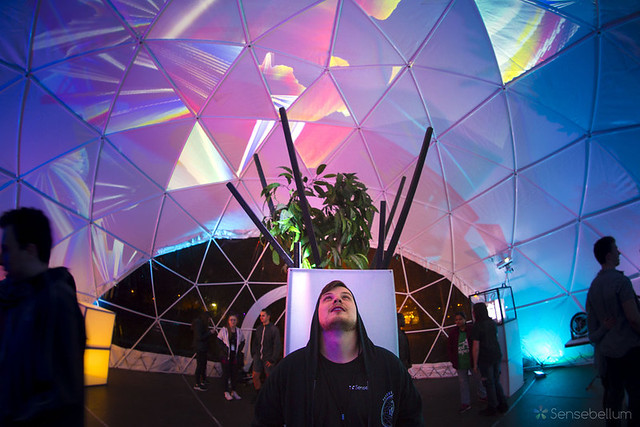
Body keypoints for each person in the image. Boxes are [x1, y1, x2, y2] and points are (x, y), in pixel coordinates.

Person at [252, 280, 424, 426]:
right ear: (316, 314)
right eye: (328, 298)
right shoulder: (289, 370)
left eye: (345, 297)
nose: (337, 300)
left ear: (357, 313)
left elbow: (412, 419)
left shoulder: (389, 367)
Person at [0, 207, 86, 425]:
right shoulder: (16, 299)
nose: (2, 260)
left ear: (30, 250)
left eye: (7, 250)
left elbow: (63, 394)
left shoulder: (57, 302)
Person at [586, 236, 640, 426]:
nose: (619, 252)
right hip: (630, 351)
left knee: (613, 397)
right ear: (609, 255)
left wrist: (604, 329)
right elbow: (633, 318)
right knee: (636, 395)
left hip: (608, 355)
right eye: (616, 249)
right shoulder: (621, 281)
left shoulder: (593, 287)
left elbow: (592, 333)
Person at [470, 302, 507, 416]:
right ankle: (502, 404)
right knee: (496, 380)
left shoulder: (477, 326)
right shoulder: (492, 323)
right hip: (496, 355)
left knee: (488, 383)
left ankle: (492, 407)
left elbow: (476, 346)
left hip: (485, 358)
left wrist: (475, 364)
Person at [448, 311, 486, 413]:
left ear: (465, 319)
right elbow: (450, 347)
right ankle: (465, 403)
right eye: (456, 320)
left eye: (460, 319)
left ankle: (483, 395)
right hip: (460, 362)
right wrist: (453, 360)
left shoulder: (471, 329)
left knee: (478, 379)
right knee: (463, 383)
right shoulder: (453, 333)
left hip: (472, 360)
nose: (458, 321)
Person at [251, 308, 281, 395]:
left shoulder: (274, 329)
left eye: (263, 316)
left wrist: (273, 359)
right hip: (258, 356)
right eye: (260, 316)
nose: (261, 317)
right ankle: (259, 394)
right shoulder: (259, 329)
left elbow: (277, 345)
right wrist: (254, 354)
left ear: (268, 316)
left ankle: (269, 396)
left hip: (268, 357)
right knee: (255, 376)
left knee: (269, 377)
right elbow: (255, 342)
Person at [218, 313, 245, 400]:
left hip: (234, 355)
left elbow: (243, 341)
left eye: (234, 320)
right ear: (228, 321)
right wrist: (225, 349)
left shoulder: (239, 331)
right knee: (226, 373)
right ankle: (226, 391)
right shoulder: (224, 330)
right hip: (225, 356)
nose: (233, 321)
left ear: (237, 321)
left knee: (234, 373)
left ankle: (234, 391)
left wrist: (239, 350)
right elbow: (219, 341)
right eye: (231, 320)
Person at [192, 309, 213, 391]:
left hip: (203, 348)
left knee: (203, 364)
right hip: (199, 348)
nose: (209, 320)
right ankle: (197, 383)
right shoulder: (199, 323)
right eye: (209, 318)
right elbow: (199, 337)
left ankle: (203, 380)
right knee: (200, 365)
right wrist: (209, 333)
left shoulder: (202, 323)